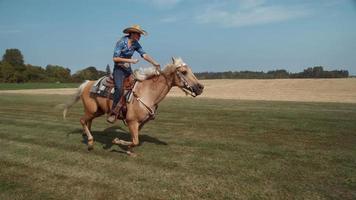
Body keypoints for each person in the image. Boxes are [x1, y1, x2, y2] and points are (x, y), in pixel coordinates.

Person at [107, 24, 160, 123]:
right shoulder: (121, 42)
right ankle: (113, 112)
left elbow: (143, 54)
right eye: (138, 34)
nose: (140, 37)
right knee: (119, 88)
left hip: (127, 70)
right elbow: (115, 58)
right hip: (118, 70)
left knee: (137, 86)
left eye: (140, 35)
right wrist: (130, 61)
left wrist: (154, 62)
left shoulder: (135, 43)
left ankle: (132, 110)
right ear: (132, 33)